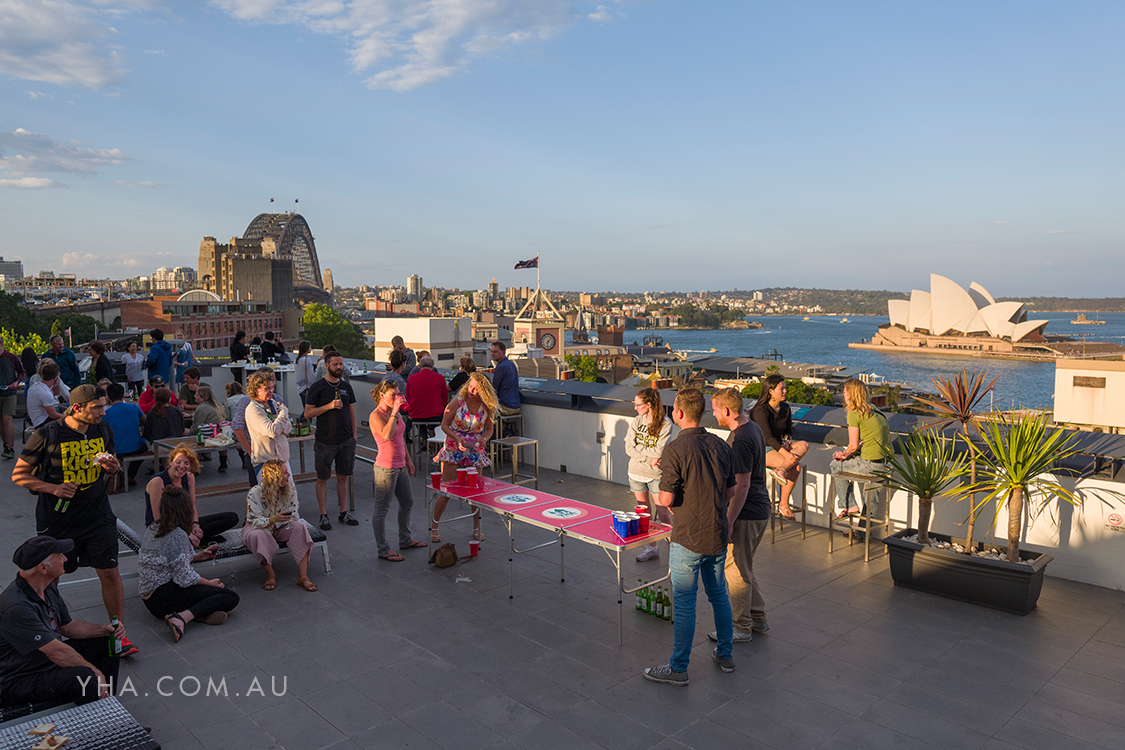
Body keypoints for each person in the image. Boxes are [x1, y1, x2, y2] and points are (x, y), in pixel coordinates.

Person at [12, 385, 138, 658]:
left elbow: (112, 461)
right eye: (97, 408)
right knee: (51, 579)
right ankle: (51, 633)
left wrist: (113, 467)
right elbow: (19, 475)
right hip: (58, 520)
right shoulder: (48, 434)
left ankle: (119, 633)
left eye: (104, 407)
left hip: (98, 514)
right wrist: (53, 488)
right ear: (77, 408)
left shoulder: (102, 429)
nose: (103, 413)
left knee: (110, 572)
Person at [644, 388, 736, 686]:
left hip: (688, 537)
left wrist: (662, 486)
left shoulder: (675, 449)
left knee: (685, 603)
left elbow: (667, 499)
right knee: (719, 595)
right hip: (717, 533)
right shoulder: (722, 446)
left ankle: (679, 667)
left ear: (680, 413)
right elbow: (731, 491)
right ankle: (725, 654)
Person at [0, 535, 125, 707]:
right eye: (59, 556)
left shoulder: (47, 587)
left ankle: (107, 703)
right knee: (85, 678)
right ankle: (96, 723)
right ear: (43, 568)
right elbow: (55, 651)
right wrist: (95, 672)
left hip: (43, 662)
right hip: (17, 680)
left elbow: (68, 626)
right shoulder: (16, 607)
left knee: (106, 642)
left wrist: (104, 629)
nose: (66, 558)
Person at [139, 485, 238, 643]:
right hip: (162, 597)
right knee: (230, 597)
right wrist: (210, 583)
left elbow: (169, 559)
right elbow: (185, 578)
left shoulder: (154, 526)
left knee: (205, 595)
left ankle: (199, 614)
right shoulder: (177, 534)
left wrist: (197, 556)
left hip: (150, 597)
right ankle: (180, 618)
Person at [710, 388, 771, 643]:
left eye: (714, 409)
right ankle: (758, 618)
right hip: (758, 510)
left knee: (735, 571)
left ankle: (741, 627)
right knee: (744, 567)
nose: (713, 414)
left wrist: (729, 519)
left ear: (726, 410)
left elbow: (742, 485)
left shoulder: (741, 439)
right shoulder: (752, 428)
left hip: (746, 513)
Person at [432, 373, 496, 542]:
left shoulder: (486, 406)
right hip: (454, 445)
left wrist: (484, 439)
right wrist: (457, 438)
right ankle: (434, 526)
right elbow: (444, 425)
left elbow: (489, 429)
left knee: (476, 491)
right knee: (446, 490)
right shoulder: (458, 402)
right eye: (470, 387)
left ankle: (477, 527)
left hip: (475, 447)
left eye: (476, 389)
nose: (472, 391)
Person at [369, 380, 426, 561]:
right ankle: (383, 549)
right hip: (386, 469)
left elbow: (401, 438)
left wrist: (408, 460)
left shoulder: (397, 414)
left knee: (407, 502)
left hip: (400, 466)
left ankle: (405, 539)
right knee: (381, 510)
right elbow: (387, 435)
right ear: (382, 395)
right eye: (393, 395)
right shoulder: (376, 415)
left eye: (398, 394)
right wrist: (394, 412)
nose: (397, 398)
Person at [242, 460, 317, 592]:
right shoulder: (255, 493)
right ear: (274, 476)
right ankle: (270, 574)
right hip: (260, 527)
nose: (289, 474)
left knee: (300, 527)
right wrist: (272, 520)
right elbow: (253, 522)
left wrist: (281, 521)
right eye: (284, 472)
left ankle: (303, 576)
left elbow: (294, 515)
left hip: (282, 526)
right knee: (257, 535)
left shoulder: (290, 488)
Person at [303, 351, 358, 531]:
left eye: (341, 364)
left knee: (343, 477)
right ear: (326, 365)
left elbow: (351, 413)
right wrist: (328, 406)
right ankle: (323, 515)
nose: (339, 367)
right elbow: (308, 413)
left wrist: (354, 437)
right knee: (323, 477)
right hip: (325, 441)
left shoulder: (346, 387)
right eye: (336, 364)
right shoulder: (318, 387)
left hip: (346, 441)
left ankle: (343, 512)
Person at [145, 446, 238, 546]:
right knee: (179, 538)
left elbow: (192, 506)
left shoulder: (189, 477)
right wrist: (186, 533)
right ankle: (195, 541)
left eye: (186, 463)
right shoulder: (158, 482)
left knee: (232, 517)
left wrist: (195, 525)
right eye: (178, 462)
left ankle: (195, 541)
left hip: (184, 523)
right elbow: (159, 518)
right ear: (171, 462)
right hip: (164, 528)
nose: (182, 466)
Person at [830, 378, 894, 518]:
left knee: (835, 465)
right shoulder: (874, 410)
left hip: (871, 465)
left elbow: (852, 445)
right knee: (870, 501)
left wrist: (844, 454)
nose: (843, 394)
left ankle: (849, 505)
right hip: (887, 463)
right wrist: (850, 452)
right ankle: (863, 535)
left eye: (845, 391)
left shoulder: (854, 414)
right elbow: (867, 439)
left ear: (850, 394)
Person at [750, 375, 810, 521]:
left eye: (784, 388)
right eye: (781, 388)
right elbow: (767, 438)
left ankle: (781, 470)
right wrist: (786, 454)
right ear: (770, 391)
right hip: (763, 449)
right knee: (795, 467)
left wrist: (787, 442)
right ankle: (783, 504)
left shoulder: (785, 408)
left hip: (779, 447)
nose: (785, 391)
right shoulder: (760, 410)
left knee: (804, 445)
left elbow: (788, 431)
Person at [625, 387, 672, 562]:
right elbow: (628, 448)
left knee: (664, 514)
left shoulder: (666, 423)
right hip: (636, 473)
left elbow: (659, 451)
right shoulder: (637, 421)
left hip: (656, 475)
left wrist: (645, 453)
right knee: (644, 515)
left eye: (638, 405)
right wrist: (648, 457)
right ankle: (652, 548)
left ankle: (674, 551)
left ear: (649, 404)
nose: (635, 408)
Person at [245, 370, 292, 480]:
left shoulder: (273, 403)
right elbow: (272, 431)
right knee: (271, 495)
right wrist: (284, 412)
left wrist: (279, 422)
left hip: (283, 460)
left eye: (272, 387)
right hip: (266, 463)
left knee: (289, 493)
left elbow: (288, 428)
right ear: (256, 390)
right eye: (267, 388)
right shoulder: (253, 409)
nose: (271, 391)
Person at [231, 367, 274, 487]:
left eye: (272, 381)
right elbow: (237, 427)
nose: (270, 387)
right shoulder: (246, 402)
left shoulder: (275, 400)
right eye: (265, 383)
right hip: (256, 452)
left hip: (274, 453)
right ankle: (251, 506)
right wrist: (250, 451)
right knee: (256, 490)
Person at [103, 383, 146, 486]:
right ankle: (130, 475)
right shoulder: (134, 407)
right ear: (123, 395)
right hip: (135, 447)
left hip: (116, 450)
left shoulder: (105, 414)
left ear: (108, 396)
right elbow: (144, 420)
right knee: (144, 448)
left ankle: (123, 473)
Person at [405, 355, 449, 440]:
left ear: (419, 366)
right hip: (436, 415)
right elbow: (445, 398)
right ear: (433, 367)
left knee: (418, 417)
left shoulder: (411, 378)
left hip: (416, 416)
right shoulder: (440, 378)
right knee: (437, 416)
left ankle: (424, 437)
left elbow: (408, 398)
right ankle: (433, 437)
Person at [190, 385, 229, 472]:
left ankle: (195, 463)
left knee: (185, 433)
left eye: (196, 395)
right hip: (220, 434)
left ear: (202, 397)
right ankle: (223, 463)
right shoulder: (218, 405)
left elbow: (195, 427)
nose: (194, 396)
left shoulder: (202, 408)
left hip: (208, 435)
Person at [0, 339, 25, 459]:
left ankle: (10, 447)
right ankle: (5, 445)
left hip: (10, 392)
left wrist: (17, 382)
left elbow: (21, 372)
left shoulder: (11, 357)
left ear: (2, 344)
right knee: (1, 421)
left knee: (7, 419)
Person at [26, 360, 66, 428]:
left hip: (35, 420)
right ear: (56, 377)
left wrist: (57, 385)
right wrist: (67, 418)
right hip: (43, 422)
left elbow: (55, 393)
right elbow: (53, 415)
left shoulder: (36, 386)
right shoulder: (45, 393)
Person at [490, 341, 520, 418]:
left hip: (505, 407)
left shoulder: (500, 367)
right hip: (516, 406)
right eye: (491, 351)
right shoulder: (511, 364)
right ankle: (503, 427)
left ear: (503, 352)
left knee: (483, 409)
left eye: (495, 352)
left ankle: (492, 429)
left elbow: (494, 390)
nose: (492, 354)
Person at [295, 340, 315, 408]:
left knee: (305, 409)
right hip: (307, 387)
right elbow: (310, 374)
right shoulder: (307, 360)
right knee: (309, 411)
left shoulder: (298, 360)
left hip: (300, 387)